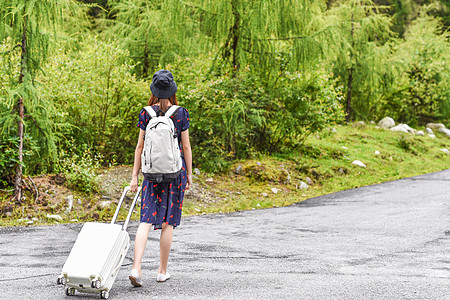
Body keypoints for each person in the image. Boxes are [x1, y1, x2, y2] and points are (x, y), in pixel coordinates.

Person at [129, 69, 192, 286]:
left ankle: (136, 268)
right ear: (172, 90)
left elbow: (140, 147)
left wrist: (134, 177)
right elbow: (185, 146)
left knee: (146, 220)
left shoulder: (146, 113)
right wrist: (190, 174)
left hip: (151, 173)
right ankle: (161, 271)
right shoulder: (180, 113)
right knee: (168, 223)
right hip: (175, 174)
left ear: (154, 90)